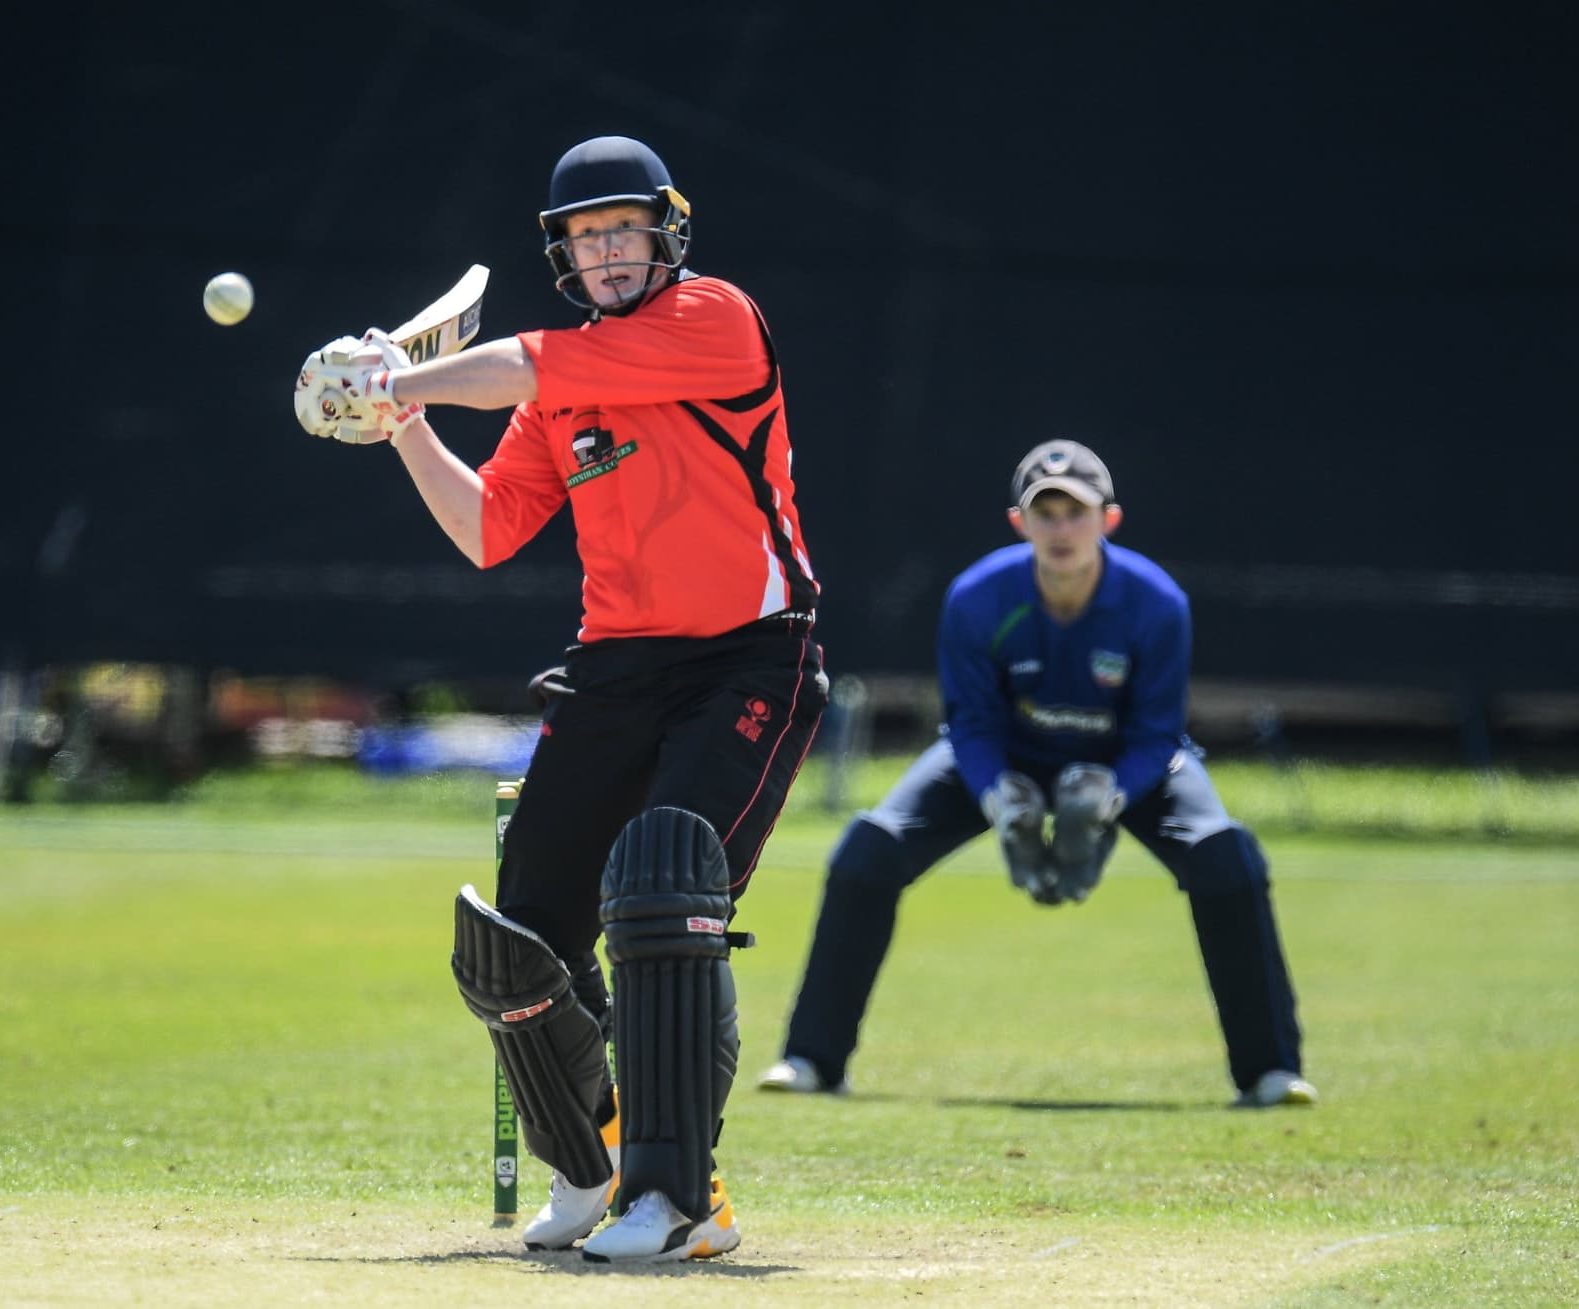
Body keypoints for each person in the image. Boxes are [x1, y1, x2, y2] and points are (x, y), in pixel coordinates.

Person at [294, 136, 826, 1262]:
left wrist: (400, 373)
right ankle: (592, 1167)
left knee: (666, 880)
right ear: (565, 257)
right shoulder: (565, 388)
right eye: (585, 238)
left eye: (622, 229)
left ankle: (682, 1201)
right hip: (613, 671)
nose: (607, 251)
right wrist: (405, 425)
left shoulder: (714, 320)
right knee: (516, 936)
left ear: (665, 234)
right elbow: (489, 528)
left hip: (749, 658)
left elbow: (520, 366)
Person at [758, 440, 1313, 1110]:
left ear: (1108, 520)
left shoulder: (1156, 603)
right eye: (1044, 512)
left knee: (1227, 857)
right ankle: (812, 1059)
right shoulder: (978, 597)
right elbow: (970, 724)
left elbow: (1157, 732)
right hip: (1005, 759)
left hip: (1123, 763)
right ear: (1019, 523)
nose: (1061, 528)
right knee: (867, 849)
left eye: (1075, 512)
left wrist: (1111, 793)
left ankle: (1269, 1071)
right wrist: (995, 793)